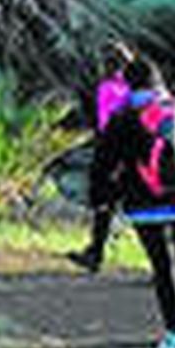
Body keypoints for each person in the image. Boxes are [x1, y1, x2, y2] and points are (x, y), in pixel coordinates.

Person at [89, 56, 175, 348]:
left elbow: (102, 165)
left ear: (130, 83)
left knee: (163, 266)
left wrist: (102, 199)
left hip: (146, 203)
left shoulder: (124, 117)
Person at [68, 40, 136, 274]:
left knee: (104, 205)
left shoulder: (108, 88)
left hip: (112, 150)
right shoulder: (136, 86)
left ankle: (96, 253)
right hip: (137, 150)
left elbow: (106, 124)